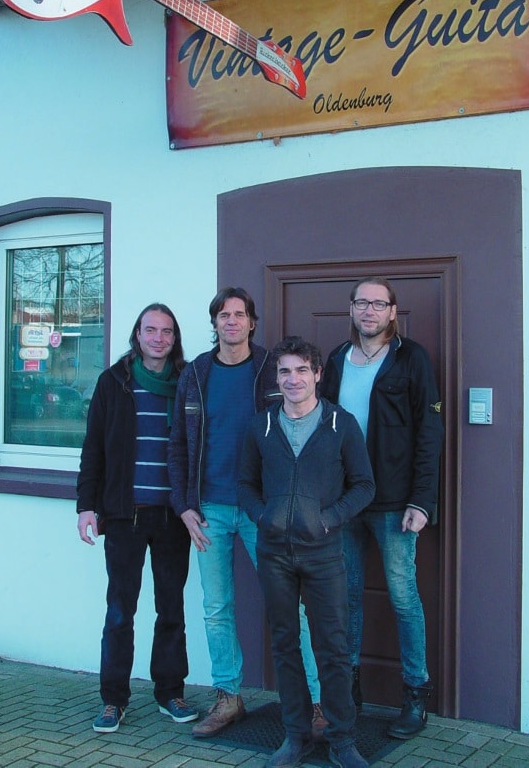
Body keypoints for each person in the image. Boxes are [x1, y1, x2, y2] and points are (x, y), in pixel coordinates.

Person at [168, 287, 327, 740]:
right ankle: (228, 697)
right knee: (216, 607)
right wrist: (183, 506)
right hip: (210, 510)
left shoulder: (270, 369)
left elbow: (300, 428)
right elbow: (177, 443)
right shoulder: (196, 373)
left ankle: (314, 702)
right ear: (214, 323)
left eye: (239, 314)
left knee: (288, 607)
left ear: (252, 323)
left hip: (264, 511)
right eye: (223, 315)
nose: (231, 322)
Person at [239, 336, 375, 768]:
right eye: (285, 371)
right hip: (274, 554)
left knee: (332, 649)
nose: (293, 379)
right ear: (276, 378)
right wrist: (264, 517)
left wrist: (327, 519)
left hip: (324, 553)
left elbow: (364, 486)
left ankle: (342, 741)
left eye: (302, 370)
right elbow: (244, 484)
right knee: (284, 645)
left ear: (318, 374)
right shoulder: (260, 426)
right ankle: (295, 737)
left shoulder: (341, 425)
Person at [321, 277, 444, 740]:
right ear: (350, 309)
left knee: (402, 597)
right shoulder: (335, 359)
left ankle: (415, 695)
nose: (369, 311)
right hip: (344, 500)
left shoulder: (412, 359)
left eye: (378, 303)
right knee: (346, 598)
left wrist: (422, 500)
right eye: (361, 303)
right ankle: (347, 692)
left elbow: (430, 433)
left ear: (393, 311)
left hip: (395, 503)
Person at [76, 304, 198, 734]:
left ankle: (170, 692)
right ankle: (113, 700)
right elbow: (94, 447)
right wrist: (86, 505)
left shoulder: (188, 382)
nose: (159, 338)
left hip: (172, 517)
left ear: (174, 337)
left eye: (167, 331)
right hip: (124, 516)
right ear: (138, 334)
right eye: (151, 330)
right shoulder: (114, 382)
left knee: (171, 608)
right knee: (119, 611)